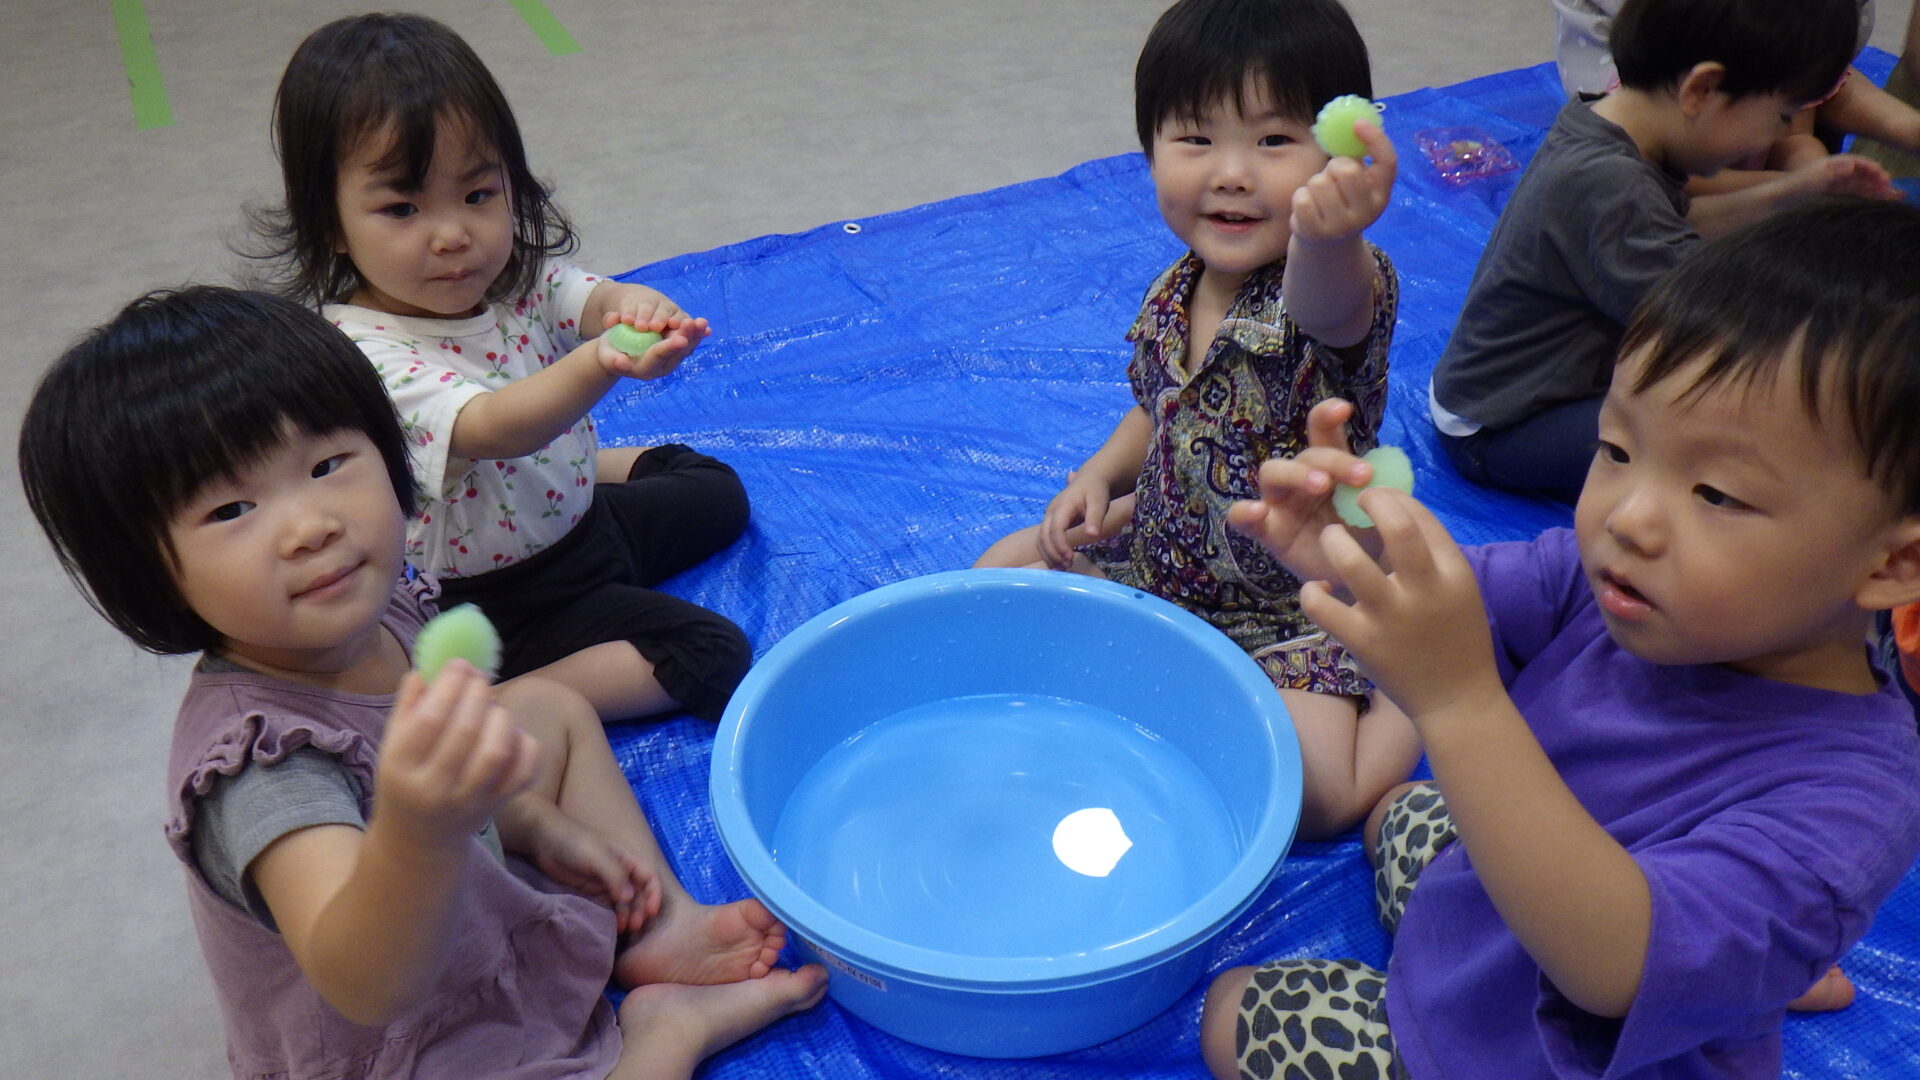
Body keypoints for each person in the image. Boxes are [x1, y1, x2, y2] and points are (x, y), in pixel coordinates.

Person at [16, 287, 827, 1080]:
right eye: (231, 510)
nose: (310, 527)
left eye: (327, 465)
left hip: (456, 899)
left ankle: (659, 926)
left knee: (546, 705)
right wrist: (416, 831)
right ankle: (665, 1035)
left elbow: (471, 794)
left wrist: (537, 829)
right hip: (416, 1038)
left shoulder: (383, 612)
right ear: (147, 577)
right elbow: (366, 984)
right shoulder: (263, 770)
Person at [1201, 198, 1920, 1079]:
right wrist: (1356, 552)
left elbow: (1612, 966)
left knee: (1228, 1012)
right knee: (1397, 810)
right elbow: (1453, 602)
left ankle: (1748, 955)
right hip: (1497, 911)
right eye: (1617, 449)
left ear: (1895, 563)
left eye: (1717, 495)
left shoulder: (1849, 803)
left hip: (1526, 1051)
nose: (1629, 517)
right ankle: (1756, 957)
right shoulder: (1614, 587)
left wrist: (1459, 705)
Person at [974, 0, 1418, 839]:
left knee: (1316, 797)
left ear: (1336, 156)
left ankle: (1421, 675)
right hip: (1164, 561)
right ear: (1150, 151)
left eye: (1274, 140)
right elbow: (1158, 406)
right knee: (994, 576)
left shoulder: (1330, 287)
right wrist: (1098, 477)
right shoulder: (1177, 289)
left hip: (1290, 604)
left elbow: (1331, 297)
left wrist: (1332, 235)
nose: (1232, 173)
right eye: (1196, 138)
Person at [246, 13, 749, 725]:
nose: (453, 235)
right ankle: (494, 706)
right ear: (331, 224)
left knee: (719, 492)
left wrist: (631, 306)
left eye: (477, 195)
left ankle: (593, 469)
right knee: (711, 654)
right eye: (402, 208)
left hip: (584, 525)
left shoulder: (509, 278)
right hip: (498, 598)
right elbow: (496, 427)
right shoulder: (362, 355)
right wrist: (602, 360)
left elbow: (586, 298)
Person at [1431, 0, 1886, 502]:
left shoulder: (1603, 123)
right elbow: (1712, 325)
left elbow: (1683, 219)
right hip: (1505, 428)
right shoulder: (1611, 187)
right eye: (1781, 116)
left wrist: (1793, 193)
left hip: (1505, 395)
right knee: (1729, 423)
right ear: (1702, 90)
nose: (1781, 134)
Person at [1553, 0, 1919, 187]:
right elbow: (1688, 195)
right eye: (1782, 114)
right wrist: (1791, 189)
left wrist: (1814, 173)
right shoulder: (1625, 184)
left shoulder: (1757, 66)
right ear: (1702, 90)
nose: (1784, 125)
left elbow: (1797, 133)